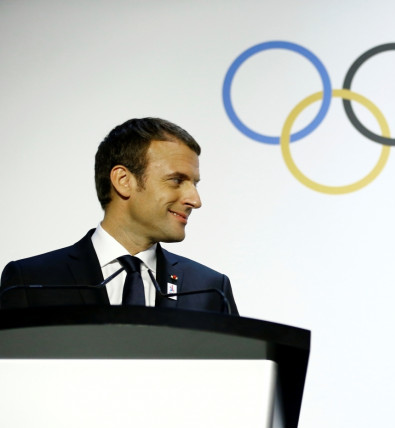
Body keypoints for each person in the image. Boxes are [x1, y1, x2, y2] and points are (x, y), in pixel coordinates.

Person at [0, 117, 238, 314]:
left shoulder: (210, 289)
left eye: (194, 184)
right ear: (123, 181)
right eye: (177, 180)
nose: (195, 201)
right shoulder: (31, 281)